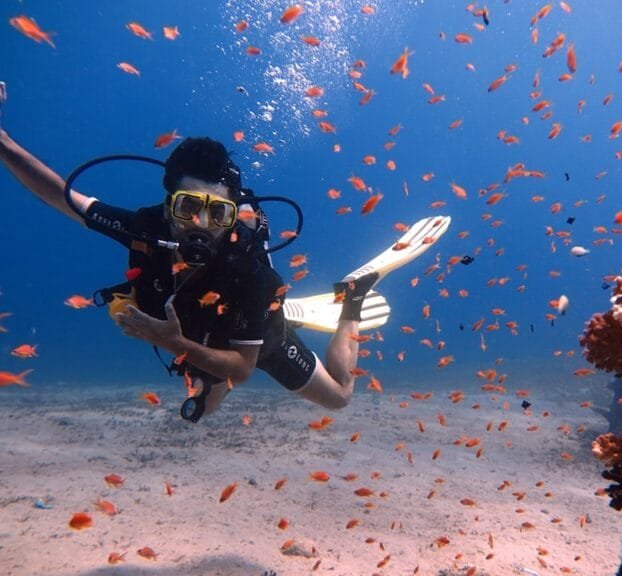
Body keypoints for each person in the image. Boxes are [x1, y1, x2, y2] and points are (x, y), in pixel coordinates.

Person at [0, 81, 379, 420]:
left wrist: (173, 342)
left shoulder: (250, 271)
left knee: (339, 397)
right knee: (200, 412)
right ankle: (210, 373)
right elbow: (60, 196)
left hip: (258, 341)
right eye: (188, 207)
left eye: (218, 213)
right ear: (168, 206)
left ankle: (352, 300)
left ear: (233, 217)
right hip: (198, 336)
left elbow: (242, 369)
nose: (200, 224)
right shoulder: (144, 229)